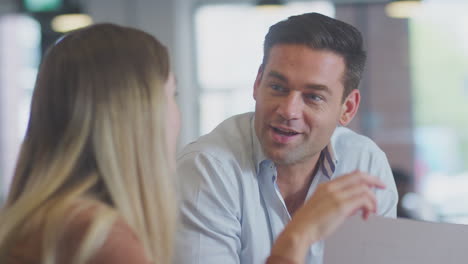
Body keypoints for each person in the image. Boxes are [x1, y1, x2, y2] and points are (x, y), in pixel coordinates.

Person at [174, 12, 398, 264]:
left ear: (347, 108)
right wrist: (298, 236)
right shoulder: (206, 169)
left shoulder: (365, 163)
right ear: (258, 83)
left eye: (313, 96)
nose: (288, 111)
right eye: (278, 88)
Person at [0, 23, 180, 264]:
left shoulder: (43, 221)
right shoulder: (98, 237)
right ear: (138, 115)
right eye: (172, 95)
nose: (177, 112)